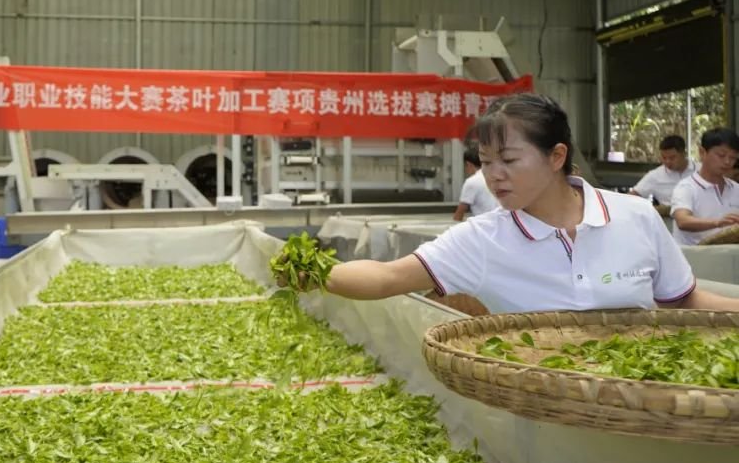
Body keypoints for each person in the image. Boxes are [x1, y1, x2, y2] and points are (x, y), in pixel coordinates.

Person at [279, 93, 739, 314]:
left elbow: (685, 298)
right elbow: (388, 276)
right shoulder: (481, 238)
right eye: (485, 161)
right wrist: (313, 272)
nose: (493, 174)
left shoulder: (634, 217)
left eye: (509, 160)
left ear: (557, 156)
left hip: (638, 405)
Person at [670, 128, 739, 246]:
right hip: (694, 259)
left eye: (733, 158)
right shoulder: (686, 187)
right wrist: (717, 223)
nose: (727, 162)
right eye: (721, 155)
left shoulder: (736, 189)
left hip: (729, 260)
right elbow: (683, 221)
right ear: (702, 152)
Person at [629, 134, 696, 206]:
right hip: (668, 214)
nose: (667, 161)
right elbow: (632, 196)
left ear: (684, 154)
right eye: (664, 157)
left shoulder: (700, 170)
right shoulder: (655, 175)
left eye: (672, 158)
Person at [453, 147, 498, 221]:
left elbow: (459, 214)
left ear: (468, 164)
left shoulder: (472, 182)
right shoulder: (495, 176)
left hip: (484, 226)